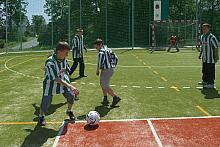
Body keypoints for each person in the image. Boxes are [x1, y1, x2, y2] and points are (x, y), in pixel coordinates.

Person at [39, 42, 79, 125]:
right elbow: (56, 79)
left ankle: (69, 111)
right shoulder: (50, 62)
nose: (67, 55)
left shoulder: (64, 59)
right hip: (50, 84)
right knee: (46, 102)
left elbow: (66, 71)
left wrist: (69, 82)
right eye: (66, 53)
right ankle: (41, 116)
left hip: (63, 81)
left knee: (71, 96)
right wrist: (70, 86)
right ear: (59, 52)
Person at [94, 38, 121, 107]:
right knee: (103, 84)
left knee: (104, 85)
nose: (96, 48)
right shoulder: (108, 49)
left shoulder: (101, 52)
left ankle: (115, 97)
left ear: (100, 45)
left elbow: (100, 63)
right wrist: (113, 65)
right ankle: (105, 98)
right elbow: (116, 58)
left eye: (97, 46)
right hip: (110, 69)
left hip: (106, 70)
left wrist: (97, 70)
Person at [198, 23, 219, 88]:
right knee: (204, 70)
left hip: (211, 58)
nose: (203, 30)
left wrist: (216, 56)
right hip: (205, 58)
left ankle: (211, 83)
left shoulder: (211, 37)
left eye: (205, 28)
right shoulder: (202, 37)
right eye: (203, 28)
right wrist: (200, 54)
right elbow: (202, 47)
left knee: (210, 70)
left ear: (209, 29)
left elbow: (216, 47)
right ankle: (205, 81)